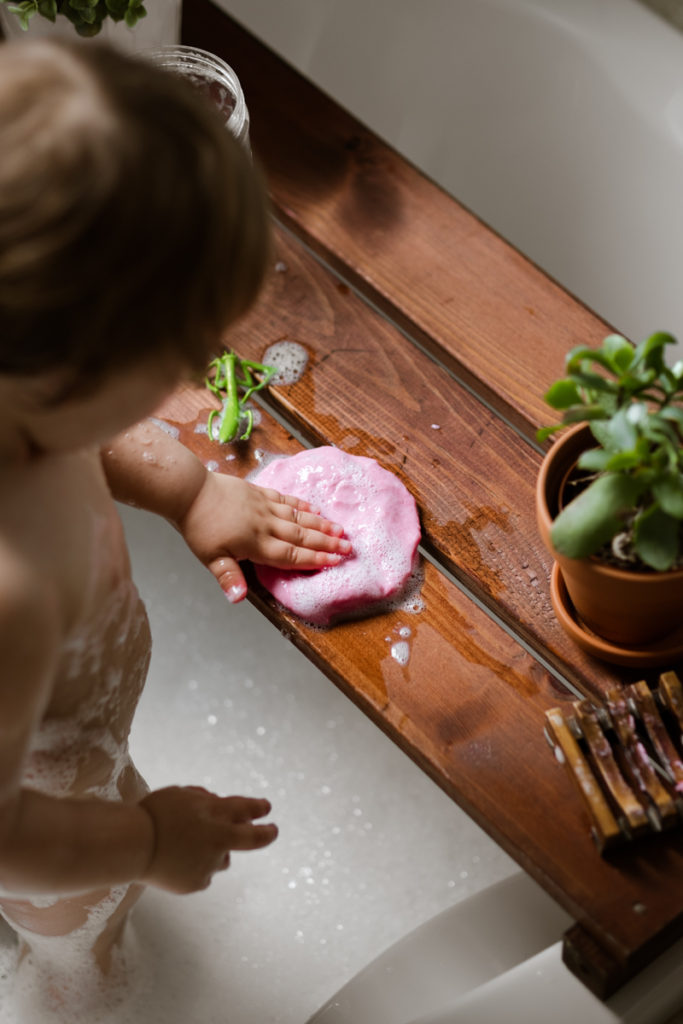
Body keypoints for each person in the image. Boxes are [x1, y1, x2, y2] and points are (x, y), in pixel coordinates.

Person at [0, 37, 350, 1012]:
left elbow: (86, 440)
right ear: (68, 366)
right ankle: (69, 987)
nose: (195, 381)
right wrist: (144, 844)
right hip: (33, 825)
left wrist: (193, 494)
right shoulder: (13, 591)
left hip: (62, 748)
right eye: (174, 357)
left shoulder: (23, 401)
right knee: (84, 945)